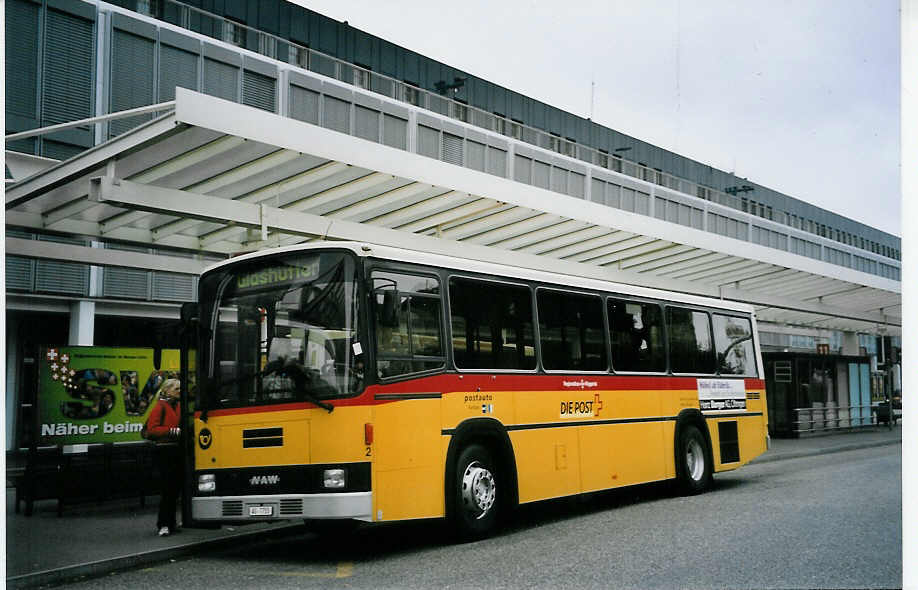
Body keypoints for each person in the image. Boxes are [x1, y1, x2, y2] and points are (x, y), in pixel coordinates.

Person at [144, 378, 183, 536]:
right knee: (168, 489)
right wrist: (173, 431)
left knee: (174, 489)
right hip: (164, 451)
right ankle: (164, 524)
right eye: (176, 388)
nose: (179, 391)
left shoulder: (177, 405)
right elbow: (152, 430)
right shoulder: (160, 406)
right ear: (167, 390)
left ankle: (170, 523)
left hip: (175, 449)